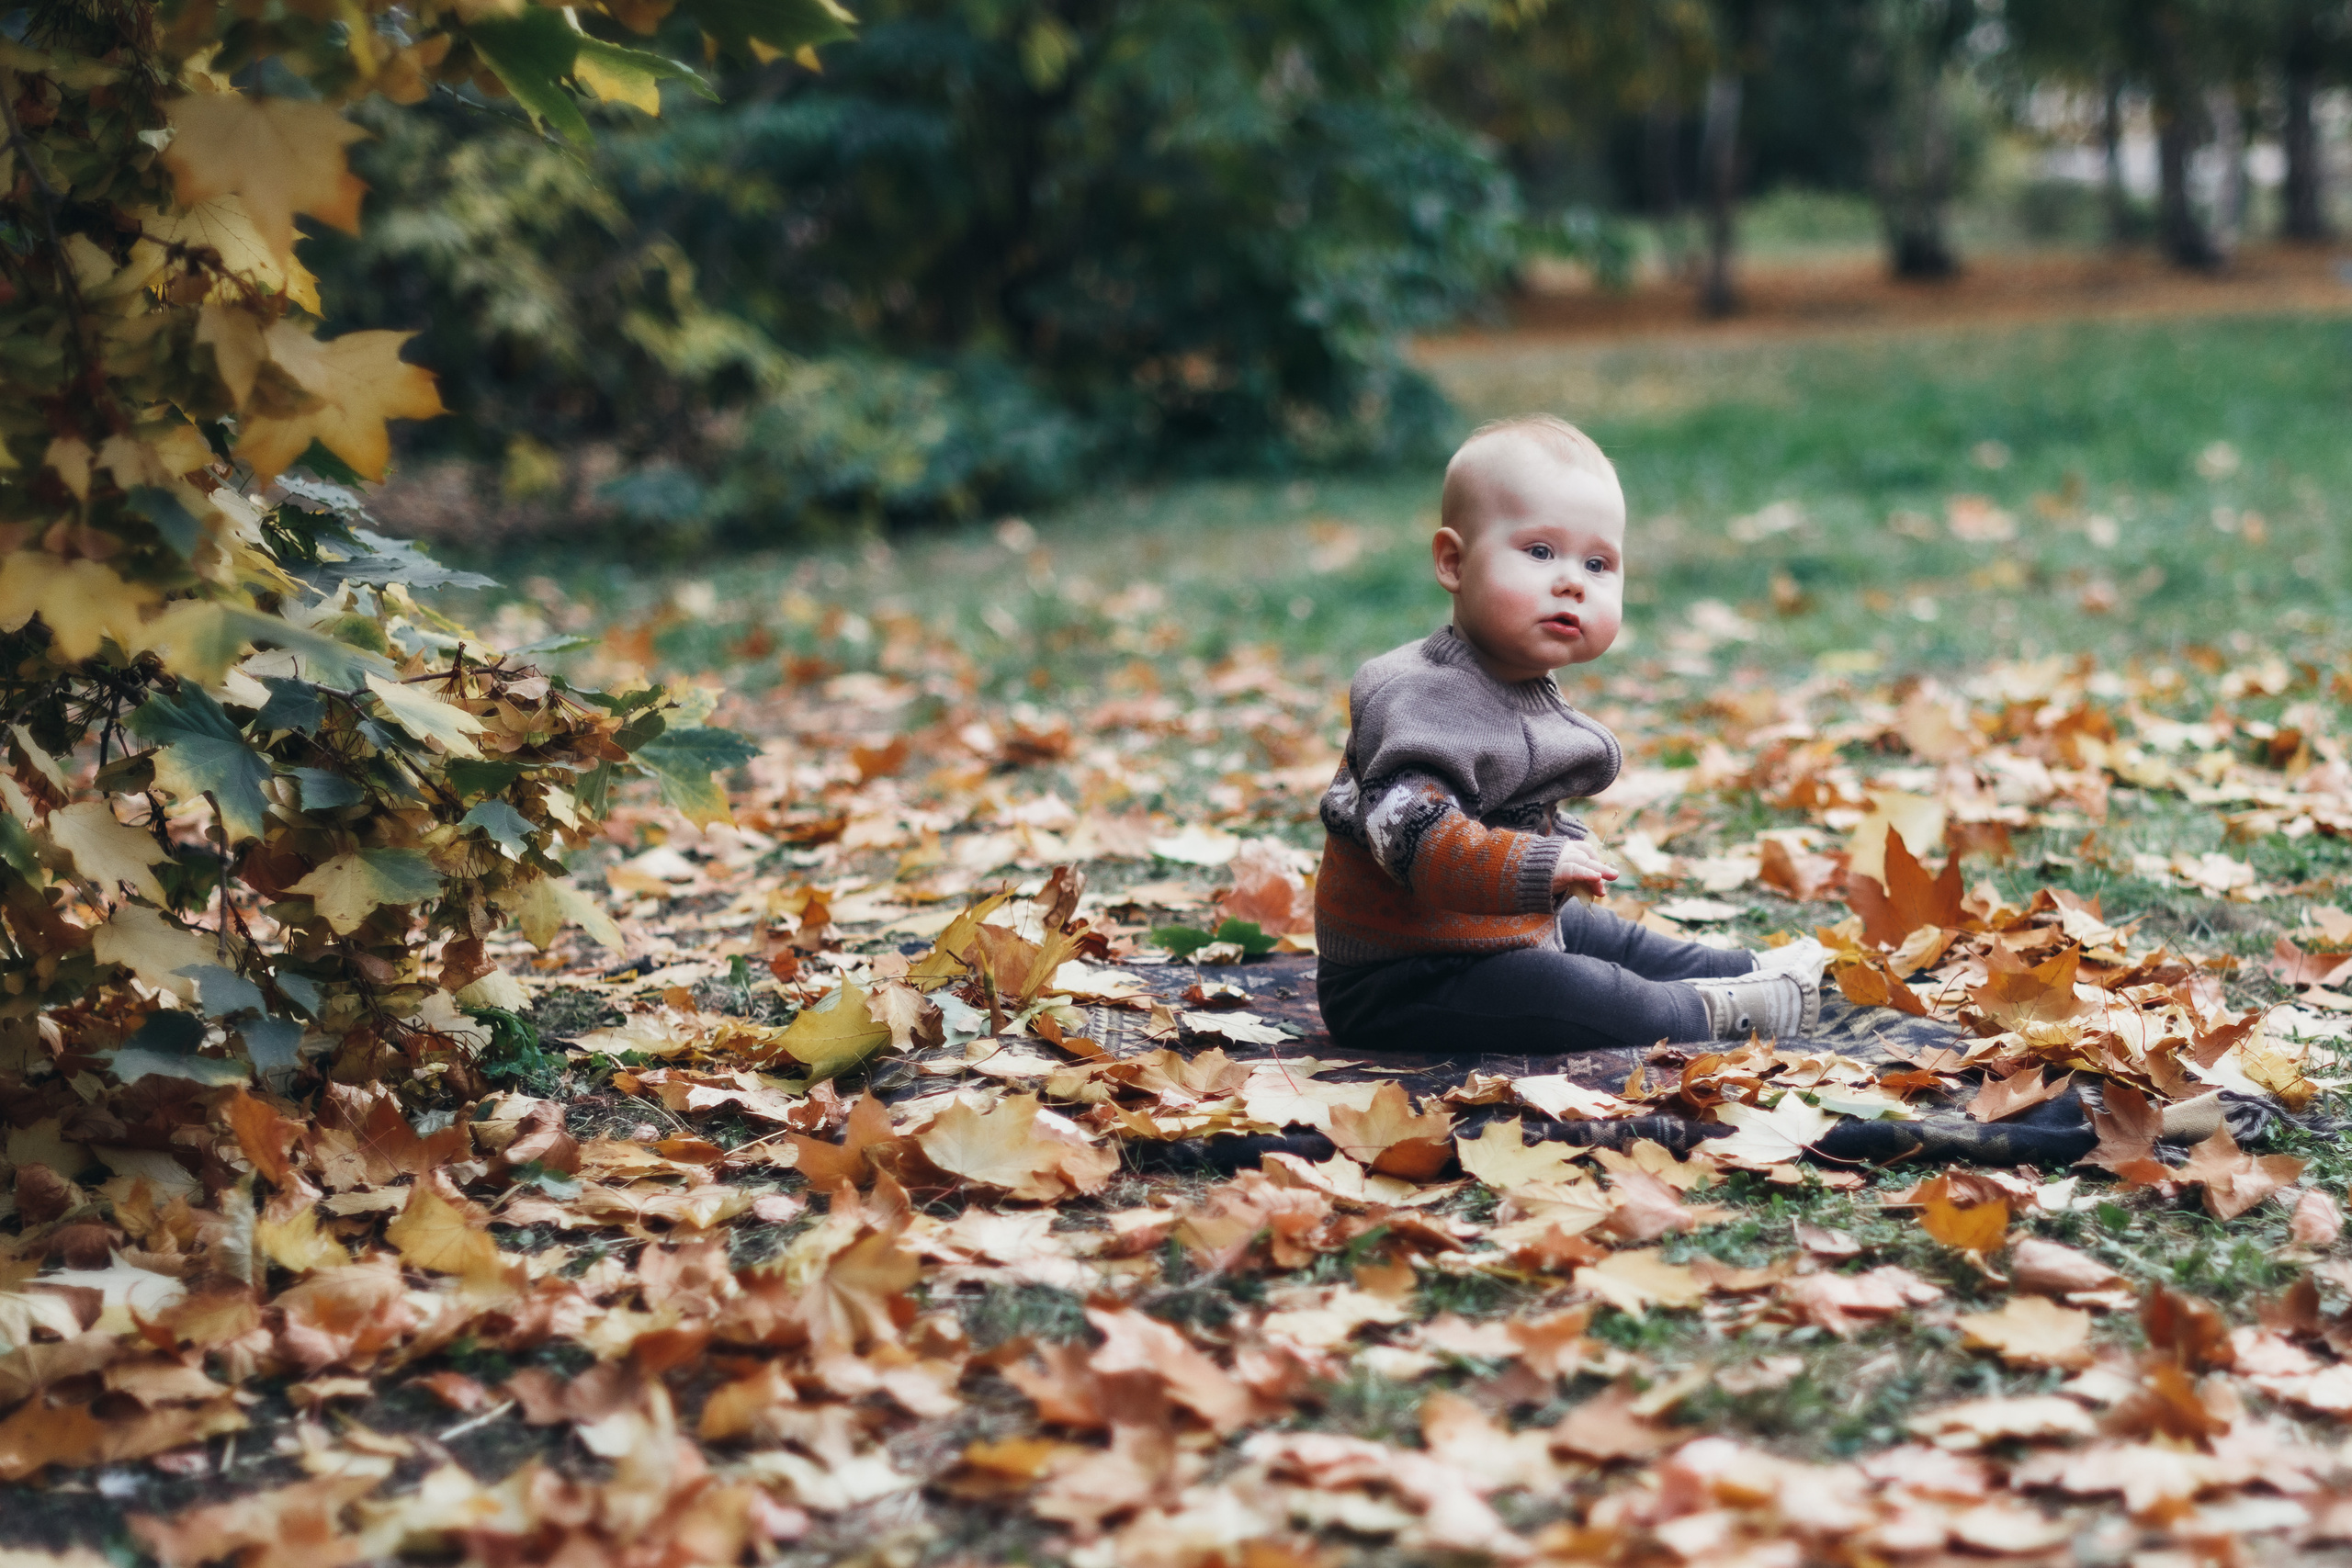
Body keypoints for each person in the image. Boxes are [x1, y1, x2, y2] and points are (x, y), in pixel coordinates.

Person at [1313, 414, 1826, 1054]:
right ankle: (1712, 1012)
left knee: (1601, 936)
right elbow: (1410, 835)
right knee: (1576, 992)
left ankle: (1742, 968)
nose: (1571, 580)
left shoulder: (1513, 680)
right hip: (1400, 977)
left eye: (1598, 562)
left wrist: (1556, 853)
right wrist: (1538, 861)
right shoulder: (1418, 696)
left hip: (1481, 932)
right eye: (1538, 551)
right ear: (1453, 561)